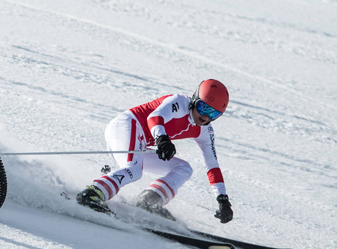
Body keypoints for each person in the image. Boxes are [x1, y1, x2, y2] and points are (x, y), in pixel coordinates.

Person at [76, 79, 234, 224]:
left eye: (213, 114)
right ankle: (92, 194)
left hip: (141, 141)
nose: (205, 116)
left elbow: (212, 165)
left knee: (184, 169)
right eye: (203, 107)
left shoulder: (205, 131)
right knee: (134, 170)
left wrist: (222, 199)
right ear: (194, 99)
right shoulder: (179, 102)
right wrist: (162, 138)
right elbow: (155, 117)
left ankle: (148, 202)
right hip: (127, 126)